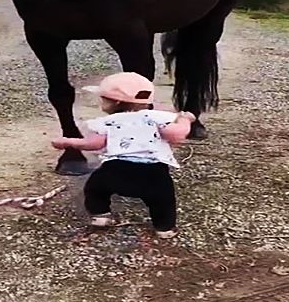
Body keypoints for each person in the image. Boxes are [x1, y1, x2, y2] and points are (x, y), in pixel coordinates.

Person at [51, 72, 195, 236]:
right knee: (163, 200)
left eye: (103, 99)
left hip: (115, 170)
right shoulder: (156, 118)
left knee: (95, 188)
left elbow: (94, 144)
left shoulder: (109, 122)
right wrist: (185, 120)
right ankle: (164, 228)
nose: (100, 103)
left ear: (117, 102)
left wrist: (67, 142)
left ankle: (100, 216)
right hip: (154, 173)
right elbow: (177, 135)